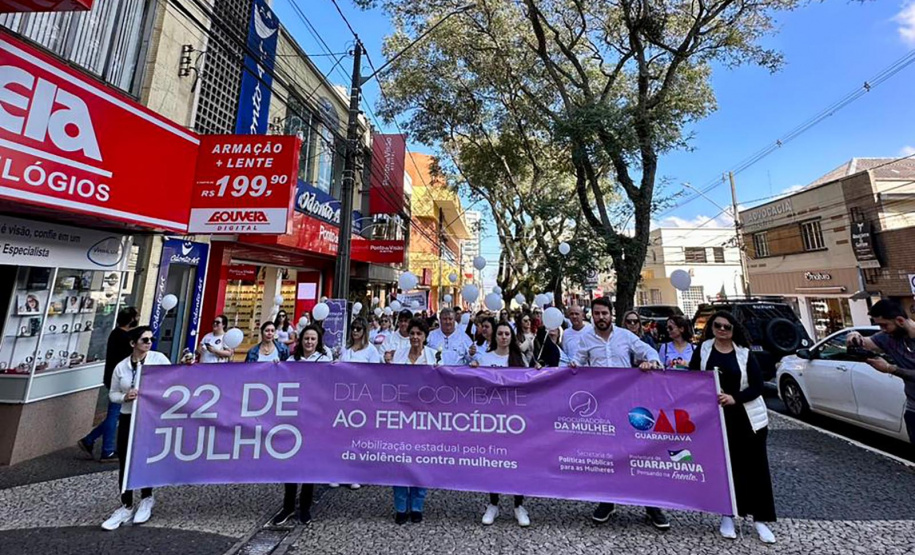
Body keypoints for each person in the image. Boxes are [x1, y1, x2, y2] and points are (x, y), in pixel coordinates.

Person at [575, 298, 668, 530]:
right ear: (592, 315)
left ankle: (651, 505)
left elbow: (646, 350)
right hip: (602, 408)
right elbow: (575, 365)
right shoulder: (585, 338)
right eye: (596, 314)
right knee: (608, 456)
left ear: (611, 314)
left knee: (640, 453)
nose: (601, 317)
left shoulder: (625, 336)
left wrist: (652, 362)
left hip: (628, 406)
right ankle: (608, 500)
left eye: (604, 313)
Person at [689, 311, 776, 543]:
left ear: (734, 329)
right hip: (716, 419)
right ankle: (727, 514)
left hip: (747, 419)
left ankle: (760, 520)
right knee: (725, 468)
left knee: (756, 469)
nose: (722, 330)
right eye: (717, 326)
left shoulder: (744, 353)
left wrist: (734, 398)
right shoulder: (705, 349)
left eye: (727, 327)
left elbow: (757, 386)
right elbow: (693, 376)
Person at [101, 326, 170, 530]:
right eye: (144, 340)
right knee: (125, 458)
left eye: (151, 339)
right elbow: (112, 393)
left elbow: (173, 378)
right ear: (133, 343)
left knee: (144, 456)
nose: (149, 343)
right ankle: (126, 502)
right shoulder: (121, 367)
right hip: (128, 415)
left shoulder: (158, 359)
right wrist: (124, 397)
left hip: (149, 417)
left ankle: (147, 497)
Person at [471, 322, 531, 527]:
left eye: (507, 333)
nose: (504, 337)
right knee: (493, 461)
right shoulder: (485, 358)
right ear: (494, 336)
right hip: (492, 419)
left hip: (515, 419)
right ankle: (493, 504)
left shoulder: (519, 358)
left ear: (511, 336)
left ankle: (518, 505)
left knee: (518, 462)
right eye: (500, 334)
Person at [272, 325, 332, 526]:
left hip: (314, 419)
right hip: (293, 418)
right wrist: (274, 367)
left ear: (318, 341)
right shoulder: (292, 361)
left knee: (309, 465)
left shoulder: (324, 361)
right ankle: (288, 506)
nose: (309, 342)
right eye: (306, 338)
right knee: (290, 465)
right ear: (301, 340)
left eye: (313, 339)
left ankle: (305, 508)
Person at [385, 318, 437, 523]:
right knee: (400, 462)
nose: (415, 337)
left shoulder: (433, 356)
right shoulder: (397, 355)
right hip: (401, 416)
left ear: (425, 336)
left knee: (421, 462)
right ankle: (400, 506)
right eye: (413, 333)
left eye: (419, 334)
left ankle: (417, 506)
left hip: (425, 418)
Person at [846, 299, 915, 445]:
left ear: (900, 320)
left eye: (884, 325)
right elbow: (866, 342)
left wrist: (890, 369)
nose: (882, 329)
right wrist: (854, 335)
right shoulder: (890, 337)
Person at [78, 307, 139, 463]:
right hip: (119, 380)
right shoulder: (124, 337)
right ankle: (107, 451)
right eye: (137, 316)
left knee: (115, 414)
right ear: (132, 319)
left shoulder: (116, 333)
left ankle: (89, 440)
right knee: (114, 415)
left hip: (112, 377)